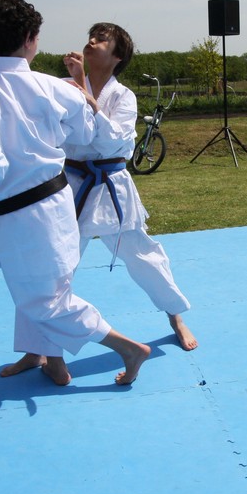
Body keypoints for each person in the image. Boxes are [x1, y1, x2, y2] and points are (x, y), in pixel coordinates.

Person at [0, 0, 151, 387]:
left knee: (44, 299)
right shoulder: (53, 88)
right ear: (30, 39)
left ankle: (127, 347)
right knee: (35, 288)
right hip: (54, 202)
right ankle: (46, 358)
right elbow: (84, 132)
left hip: (22, 207)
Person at [62, 22, 198, 351]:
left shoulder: (123, 96)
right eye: (91, 37)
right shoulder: (64, 87)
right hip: (72, 186)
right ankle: (39, 347)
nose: (91, 42)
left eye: (101, 39)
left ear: (118, 55)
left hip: (110, 186)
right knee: (55, 266)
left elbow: (112, 142)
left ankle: (175, 316)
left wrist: (85, 94)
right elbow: (23, 101)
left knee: (143, 257)